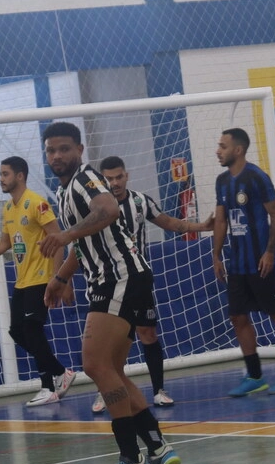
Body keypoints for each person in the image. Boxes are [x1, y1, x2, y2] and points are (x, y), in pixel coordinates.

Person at [37, 122, 180, 464]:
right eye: (51, 150)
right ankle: (158, 448)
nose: (57, 155)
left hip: (120, 277)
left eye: (64, 148)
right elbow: (85, 242)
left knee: (95, 365)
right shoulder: (66, 190)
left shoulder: (85, 180)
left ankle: (131, 457)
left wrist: (65, 235)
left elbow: (108, 209)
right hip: (117, 279)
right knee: (110, 370)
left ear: (80, 150)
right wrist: (60, 277)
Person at [88, 155, 214, 414]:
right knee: (108, 342)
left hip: (137, 281)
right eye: (109, 179)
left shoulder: (140, 202)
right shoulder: (95, 208)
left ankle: (159, 390)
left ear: (127, 176)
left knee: (147, 333)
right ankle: (105, 391)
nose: (115, 183)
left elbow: (169, 222)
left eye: (119, 177)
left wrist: (202, 226)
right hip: (108, 283)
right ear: (102, 180)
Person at [0, 156, 75, 408]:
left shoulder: (37, 203)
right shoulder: (9, 208)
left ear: (20, 176)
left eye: (5, 174)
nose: (1, 179)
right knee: (17, 331)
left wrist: (58, 278)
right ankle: (60, 372)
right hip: (23, 281)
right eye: (0, 174)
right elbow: (5, 243)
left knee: (32, 329)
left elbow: (58, 240)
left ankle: (48, 387)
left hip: (41, 278)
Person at [212, 128, 275, 397]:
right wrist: (216, 255)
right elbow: (221, 220)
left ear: (238, 150)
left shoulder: (257, 177)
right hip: (237, 264)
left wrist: (270, 252)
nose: (218, 151)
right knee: (237, 317)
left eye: (223, 146)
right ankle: (254, 376)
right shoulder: (221, 181)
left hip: (262, 261)